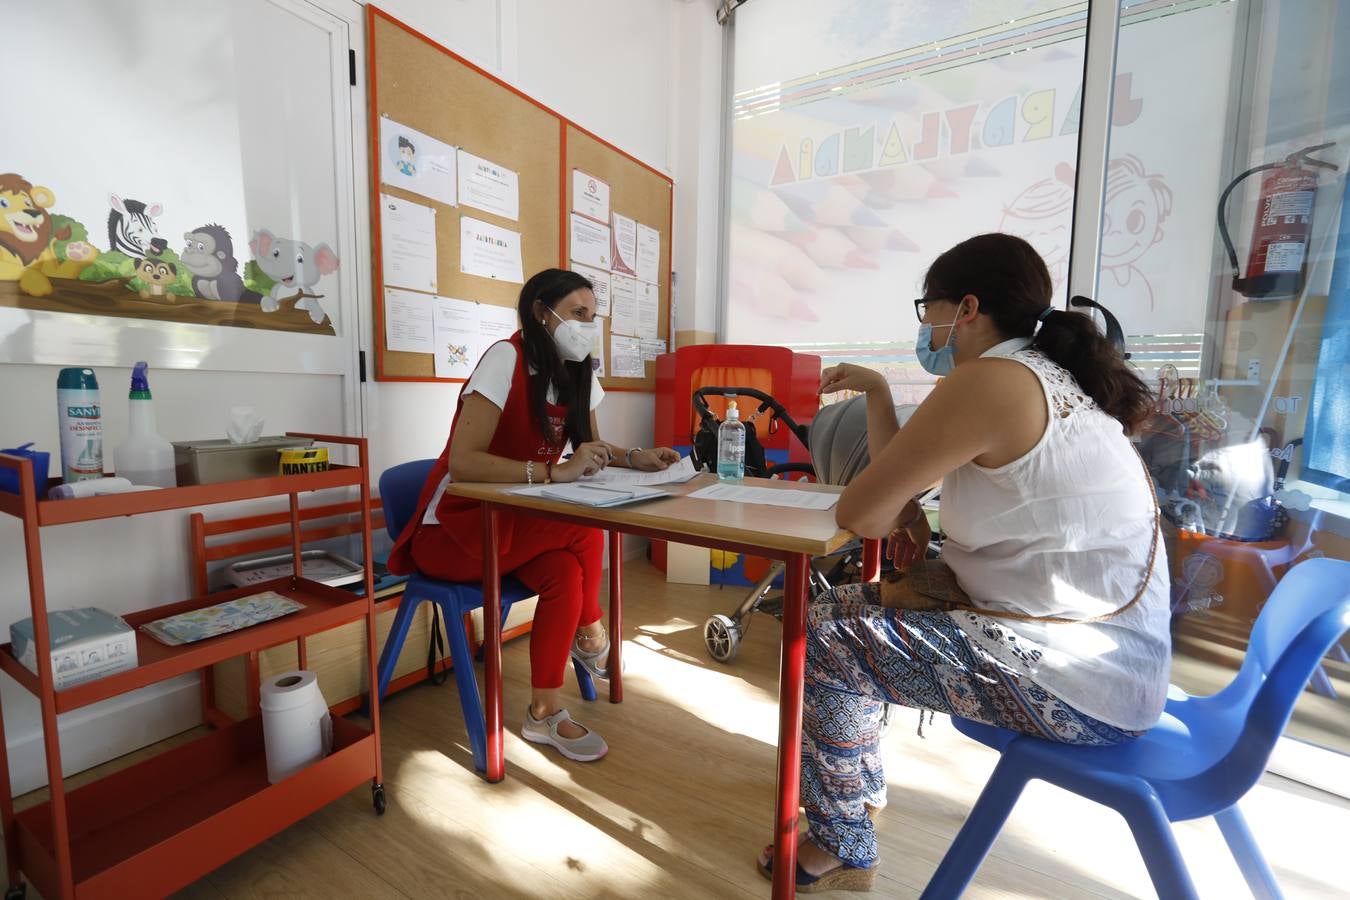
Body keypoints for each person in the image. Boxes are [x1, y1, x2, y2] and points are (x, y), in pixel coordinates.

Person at [757, 233, 1170, 892]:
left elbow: (863, 514)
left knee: (824, 642)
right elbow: (897, 494)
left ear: (966, 307)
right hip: (1103, 656)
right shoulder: (1043, 376)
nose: (924, 327)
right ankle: (855, 789)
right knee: (824, 610)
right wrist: (876, 396)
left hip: (1082, 682)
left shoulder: (990, 381)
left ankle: (840, 838)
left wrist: (897, 507)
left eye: (928, 308)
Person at [388, 268, 679, 762]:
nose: (587, 325)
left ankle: (544, 713)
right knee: (579, 525)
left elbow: (590, 446)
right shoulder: (506, 358)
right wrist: (552, 473)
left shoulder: (579, 369)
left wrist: (633, 456)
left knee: (566, 569)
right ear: (541, 313)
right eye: (576, 314)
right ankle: (592, 633)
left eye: (593, 316)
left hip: (512, 528)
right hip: (453, 531)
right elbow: (462, 463)